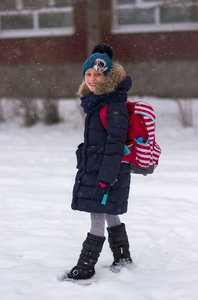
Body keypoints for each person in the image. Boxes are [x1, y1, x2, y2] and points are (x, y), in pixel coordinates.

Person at [67, 43, 132, 280]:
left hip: (107, 171)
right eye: (88, 74)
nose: (92, 79)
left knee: (97, 215)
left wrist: (106, 177)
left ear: (108, 77)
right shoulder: (98, 102)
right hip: (98, 168)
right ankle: (123, 257)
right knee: (110, 212)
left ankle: (85, 267)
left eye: (98, 74)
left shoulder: (114, 105)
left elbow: (115, 145)